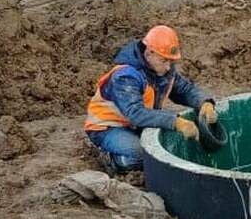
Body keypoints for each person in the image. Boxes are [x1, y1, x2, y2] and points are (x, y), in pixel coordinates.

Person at [84, 25, 217, 174]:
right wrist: (175, 122)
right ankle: (110, 158)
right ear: (150, 53)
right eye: (164, 61)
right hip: (107, 128)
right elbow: (136, 113)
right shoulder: (126, 76)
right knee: (143, 155)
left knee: (167, 147)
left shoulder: (161, 70)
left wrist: (204, 102)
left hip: (135, 126)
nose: (168, 67)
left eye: (170, 62)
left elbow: (185, 90)